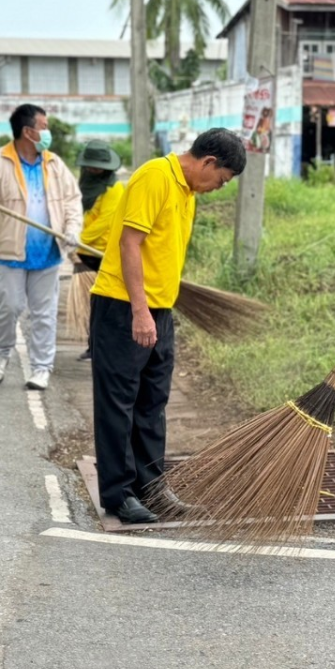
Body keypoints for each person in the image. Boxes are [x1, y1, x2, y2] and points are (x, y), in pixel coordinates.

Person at [89, 128, 246, 525]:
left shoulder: (187, 191)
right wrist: (140, 312)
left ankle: (153, 488)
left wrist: (157, 311)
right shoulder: (155, 176)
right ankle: (119, 495)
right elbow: (129, 243)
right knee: (118, 403)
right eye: (222, 179)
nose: (218, 187)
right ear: (208, 162)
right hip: (123, 306)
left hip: (159, 309)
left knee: (152, 403)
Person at [0, 104, 82, 391]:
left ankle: (41, 367)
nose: (47, 132)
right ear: (28, 131)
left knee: (44, 313)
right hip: (10, 253)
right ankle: (0, 356)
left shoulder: (54, 164)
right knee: (8, 308)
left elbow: (72, 201)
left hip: (48, 253)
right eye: (43, 126)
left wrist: (71, 230)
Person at [74, 140, 127, 362]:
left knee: (105, 304)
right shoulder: (82, 184)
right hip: (83, 253)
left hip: (104, 254)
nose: (93, 169)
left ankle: (108, 348)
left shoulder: (114, 189)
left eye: (97, 166)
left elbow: (105, 222)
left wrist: (77, 240)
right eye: (90, 165)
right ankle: (92, 347)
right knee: (87, 304)